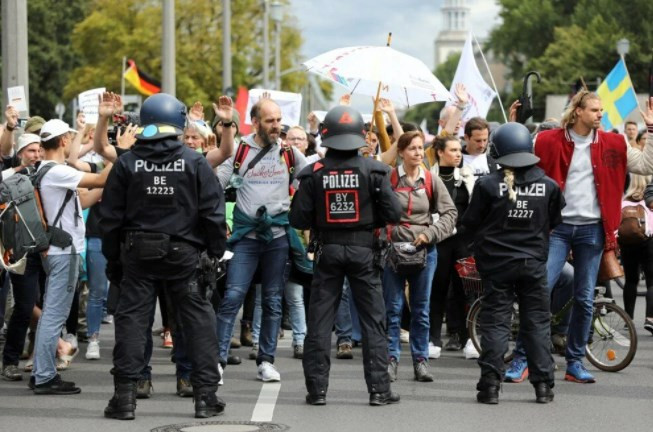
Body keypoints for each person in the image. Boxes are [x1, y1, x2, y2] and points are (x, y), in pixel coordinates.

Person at [505, 93, 653, 384]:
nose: (600, 115)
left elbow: (646, 166)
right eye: (594, 110)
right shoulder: (548, 140)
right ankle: (522, 358)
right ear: (577, 112)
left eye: (602, 110)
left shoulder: (614, 142)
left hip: (593, 231)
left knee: (585, 299)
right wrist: (513, 126)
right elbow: (515, 161)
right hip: (556, 229)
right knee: (539, 291)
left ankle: (574, 362)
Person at [99, 92, 227, 419]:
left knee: (132, 323)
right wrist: (214, 254)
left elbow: (110, 219)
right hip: (185, 255)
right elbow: (213, 215)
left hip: (137, 255)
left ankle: (125, 399)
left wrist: (114, 260)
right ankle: (205, 397)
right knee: (198, 323)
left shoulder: (127, 163)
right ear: (180, 122)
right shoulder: (194, 161)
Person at [290, 105, 402, 406]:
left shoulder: (314, 174)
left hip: (328, 251)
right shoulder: (374, 170)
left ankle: (317, 391)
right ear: (360, 135)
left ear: (325, 135)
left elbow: (298, 219)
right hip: (365, 251)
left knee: (320, 322)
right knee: (373, 322)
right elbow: (395, 212)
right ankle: (379, 390)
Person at [462, 122, 564, 405]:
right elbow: (554, 221)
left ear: (497, 151)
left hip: (497, 267)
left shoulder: (487, 185)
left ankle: (490, 388)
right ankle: (543, 387)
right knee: (537, 325)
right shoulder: (549, 186)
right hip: (533, 264)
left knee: (495, 325)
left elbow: (470, 223)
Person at [216, 98, 306, 383]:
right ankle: (217, 362)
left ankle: (266, 361)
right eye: (270, 121)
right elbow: (214, 185)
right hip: (245, 239)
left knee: (273, 301)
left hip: (278, 238)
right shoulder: (241, 151)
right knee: (232, 297)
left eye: (279, 120)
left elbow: (311, 181)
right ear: (255, 123)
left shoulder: (289, 153)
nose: (277, 126)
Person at [31, 119, 112, 394]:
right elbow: (101, 178)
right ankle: (44, 376)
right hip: (63, 252)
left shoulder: (45, 170)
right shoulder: (58, 172)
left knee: (51, 315)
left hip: (56, 250)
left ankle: (42, 372)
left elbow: (85, 199)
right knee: (54, 315)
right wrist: (120, 154)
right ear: (64, 140)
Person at [383, 131, 457, 382]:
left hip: (425, 252)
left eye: (419, 148)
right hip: (392, 252)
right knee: (393, 309)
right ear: (401, 152)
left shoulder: (431, 180)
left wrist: (430, 234)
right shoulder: (389, 178)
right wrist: (386, 235)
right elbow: (375, 211)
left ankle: (420, 361)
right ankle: (391, 359)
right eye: (412, 148)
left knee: (421, 310)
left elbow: (450, 214)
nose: (417, 153)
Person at [427, 135, 476, 359]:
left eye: (460, 150)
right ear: (440, 152)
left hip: (463, 241)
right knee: (436, 289)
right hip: (438, 240)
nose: (458, 154)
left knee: (465, 290)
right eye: (453, 150)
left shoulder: (467, 176)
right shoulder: (429, 176)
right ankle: (433, 339)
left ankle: (469, 340)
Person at [622, 175, 653, 331]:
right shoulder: (650, 202)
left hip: (628, 242)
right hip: (649, 240)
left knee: (630, 280)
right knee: (651, 282)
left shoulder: (623, 201)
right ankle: (650, 318)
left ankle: (628, 318)